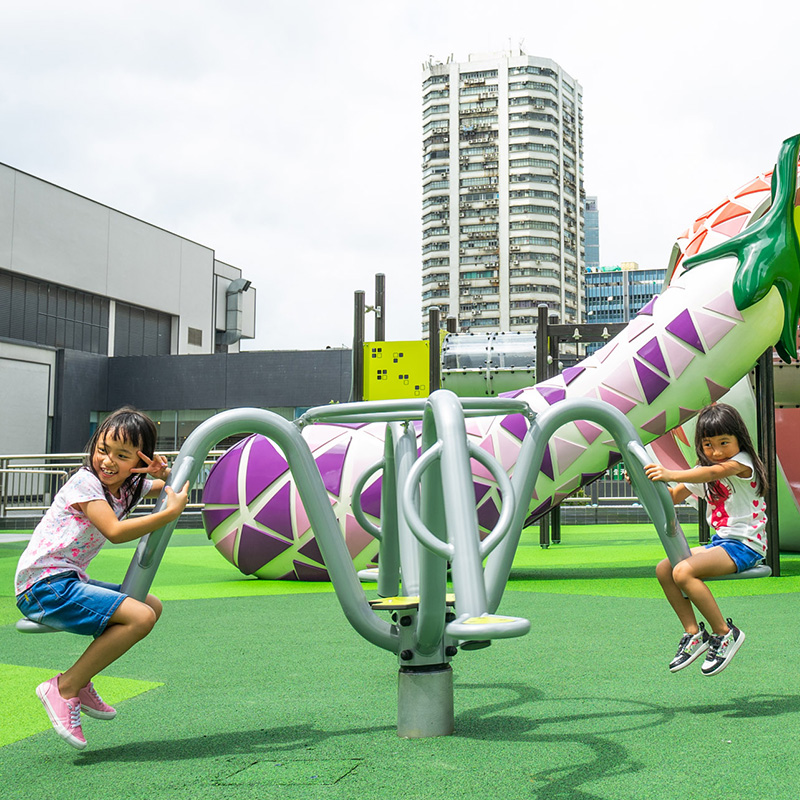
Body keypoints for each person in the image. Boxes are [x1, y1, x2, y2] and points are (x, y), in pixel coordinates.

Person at [14, 407, 189, 749]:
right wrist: (169, 514)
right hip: (43, 586)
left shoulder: (126, 488)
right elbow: (114, 531)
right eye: (102, 450)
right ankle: (65, 687)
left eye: (122, 456)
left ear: (137, 461)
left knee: (150, 604)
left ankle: (79, 680)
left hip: (67, 580)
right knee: (140, 616)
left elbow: (168, 486)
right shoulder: (86, 482)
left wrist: (159, 473)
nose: (107, 462)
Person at [645, 402, 767, 677]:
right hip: (721, 543)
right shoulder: (705, 471)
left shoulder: (742, 463)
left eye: (724, 442)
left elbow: (713, 472)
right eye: (709, 445)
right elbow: (672, 497)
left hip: (746, 545)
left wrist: (670, 472)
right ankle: (693, 633)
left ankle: (724, 633)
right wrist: (645, 483)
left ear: (739, 439)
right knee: (665, 569)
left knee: (684, 571)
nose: (717, 452)